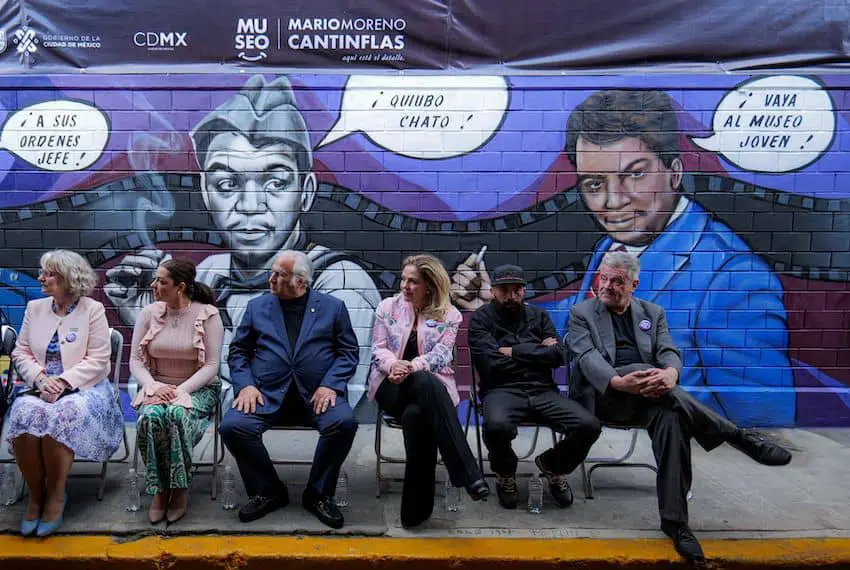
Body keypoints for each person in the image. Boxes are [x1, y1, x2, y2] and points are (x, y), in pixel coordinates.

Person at [455, 89, 795, 427]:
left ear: (674, 172)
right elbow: (583, 315)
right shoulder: (614, 249)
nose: (612, 201)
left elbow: (762, 417)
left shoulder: (735, 278)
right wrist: (491, 300)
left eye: (634, 174)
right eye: (593, 184)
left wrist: (640, 386)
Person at [104, 74, 380, 411]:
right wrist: (159, 319)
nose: (250, 205)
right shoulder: (211, 274)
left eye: (275, 182)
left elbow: (328, 396)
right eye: (227, 183)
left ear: (306, 191)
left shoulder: (341, 282)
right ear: (206, 192)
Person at [568, 250, 792, 562]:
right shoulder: (581, 313)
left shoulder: (652, 312)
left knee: (673, 420)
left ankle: (676, 523)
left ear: (634, 284)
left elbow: (669, 351)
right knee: (638, 370)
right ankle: (737, 437)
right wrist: (621, 381)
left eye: (616, 281)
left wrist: (670, 373)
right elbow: (587, 357)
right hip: (605, 396)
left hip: (649, 398)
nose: (606, 286)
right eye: (603, 279)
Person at [219, 250, 359, 529]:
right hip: (266, 394)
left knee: (343, 423)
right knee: (233, 426)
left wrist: (330, 385)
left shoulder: (333, 307)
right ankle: (268, 490)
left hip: (317, 396)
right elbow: (238, 352)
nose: (270, 278)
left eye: (278, 274)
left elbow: (348, 353)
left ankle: (319, 494)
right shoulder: (257, 307)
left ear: (301, 282)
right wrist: (245, 385)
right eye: (272, 272)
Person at [6, 250, 122, 537]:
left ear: (69, 279)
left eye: (49, 274)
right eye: (42, 272)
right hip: (40, 385)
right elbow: (21, 351)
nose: (41, 278)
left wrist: (64, 382)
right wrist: (42, 378)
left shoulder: (92, 310)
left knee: (62, 415)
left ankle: (56, 497)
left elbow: (99, 359)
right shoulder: (35, 308)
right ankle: (35, 496)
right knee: (23, 414)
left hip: (85, 387)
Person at [368, 254, 489, 527]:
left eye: (413, 282)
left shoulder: (449, 315)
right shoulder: (387, 308)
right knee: (423, 385)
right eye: (404, 279)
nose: (405, 286)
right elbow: (378, 348)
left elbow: (442, 355)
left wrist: (412, 366)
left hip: (428, 387)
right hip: (391, 386)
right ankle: (469, 474)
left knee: (417, 414)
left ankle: (414, 512)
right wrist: (393, 365)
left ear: (430, 286)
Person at [467, 264, 601, 510]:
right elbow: (490, 364)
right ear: (493, 291)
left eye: (516, 290)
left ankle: (553, 466)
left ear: (524, 291)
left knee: (589, 425)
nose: (511, 296)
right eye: (504, 290)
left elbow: (559, 355)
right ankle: (505, 474)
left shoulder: (539, 316)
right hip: (500, 390)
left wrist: (512, 351)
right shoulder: (481, 319)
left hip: (542, 390)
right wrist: (538, 351)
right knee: (496, 426)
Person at [129, 259, 224, 524]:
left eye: (161, 281)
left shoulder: (208, 315)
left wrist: (180, 391)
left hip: (198, 387)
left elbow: (212, 366)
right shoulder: (149, 313)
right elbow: (135, 361)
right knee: (150, 417)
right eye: (155, 279)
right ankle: (160, 490)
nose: (154, 285)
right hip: (157, 385)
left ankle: (180, 488)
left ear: (180, 287)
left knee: (175, 415)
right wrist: (152, 386)